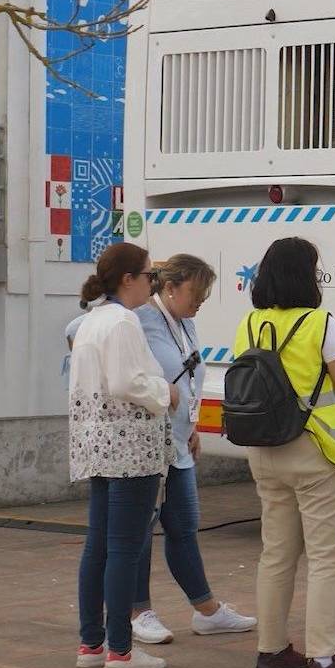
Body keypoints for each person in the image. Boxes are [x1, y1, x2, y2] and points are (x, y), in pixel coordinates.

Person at [234, 237, 335, 668]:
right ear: (306, 276)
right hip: (318, 453)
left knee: (276, 554)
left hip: (266, 451)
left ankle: (271, 649)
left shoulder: (250, 323)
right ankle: (326, 658)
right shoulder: (321, 323)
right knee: (327, 559)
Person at [128, 254, 258, 645]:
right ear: (170, 287)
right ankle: (138, 611)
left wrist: (192, 423)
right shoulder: (138, 318)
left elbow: (188, 376)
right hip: (147, 445)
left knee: (183, 527)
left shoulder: (185, 323)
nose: (199, 302)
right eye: (195, 294)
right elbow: (77, 329)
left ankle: (207, 610)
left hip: (179, 442)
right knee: (140, 531)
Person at [67, 242, 175, 668]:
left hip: (95, 444)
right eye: (150, 276)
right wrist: (166, 392)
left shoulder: (91, 321)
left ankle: (92, 643)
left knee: (99, 546)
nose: (154, 283)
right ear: (129, 279)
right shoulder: (124, 322)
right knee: (125, 549)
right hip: (130, 448)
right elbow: (128, 382)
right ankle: (121, 650)